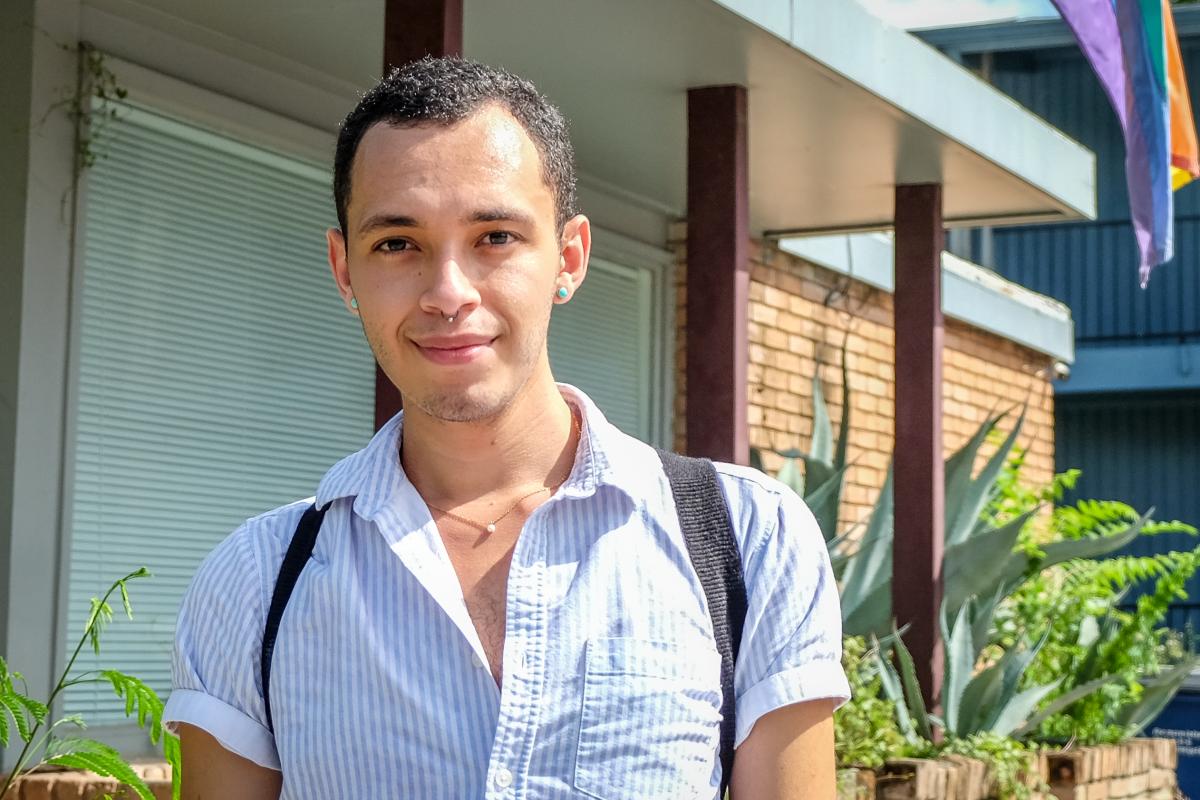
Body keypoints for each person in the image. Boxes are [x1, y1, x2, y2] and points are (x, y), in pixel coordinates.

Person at [162, 56, 850, 799]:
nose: (447, 293)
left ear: (570, 257)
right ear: (344, 271)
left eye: (494, 236)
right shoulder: (257, 583)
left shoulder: (747, 540)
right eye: (397, 243)